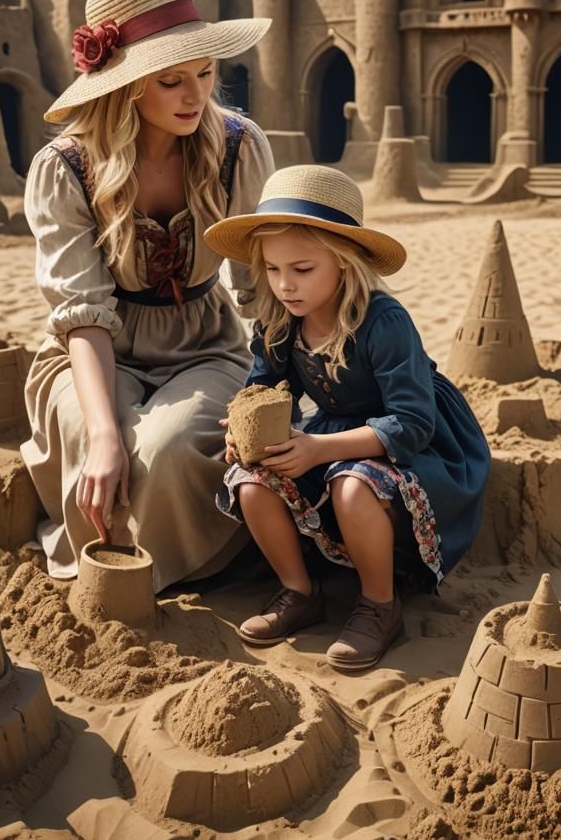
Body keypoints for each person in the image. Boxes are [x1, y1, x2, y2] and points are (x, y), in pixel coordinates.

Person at [20, 0, 275, 587]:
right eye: (171, 80)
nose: (196, 96)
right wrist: (105, 433)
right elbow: (82, 312)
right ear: (129, 85)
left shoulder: (238, 148)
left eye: (206, 73)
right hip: (94, 350)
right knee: (95, 443)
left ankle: (166, 575)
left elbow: (262, 288)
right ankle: (107, 571)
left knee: (165, 447)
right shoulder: (65, 169)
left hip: (205, 344)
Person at [203, 165, 491, 670]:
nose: (285, 284)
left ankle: (379, 604)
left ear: (344, 261)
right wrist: (245, 427)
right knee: (250, 478)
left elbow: (413, 422)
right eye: (272, 269)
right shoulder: (278, 321)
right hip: (334, 433)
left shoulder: (384, 322)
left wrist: (318, 450)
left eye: (302, 269)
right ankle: (299, 591)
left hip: (412, 440)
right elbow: (260, 387)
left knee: (352, 486)